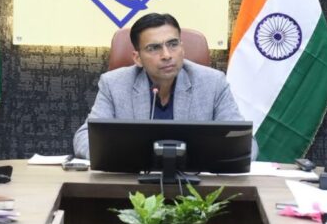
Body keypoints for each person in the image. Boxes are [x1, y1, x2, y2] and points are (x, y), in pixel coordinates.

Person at [72, 13, 243, 159]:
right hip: (132, 182)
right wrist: (127, 159)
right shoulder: (114, 84)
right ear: (137, 58)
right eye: (154, 48)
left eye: (173, 44)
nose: (167, 55)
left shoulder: (213, 83)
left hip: (194, 183)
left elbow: (242, 141)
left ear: (182, 49)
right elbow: (84, 138)